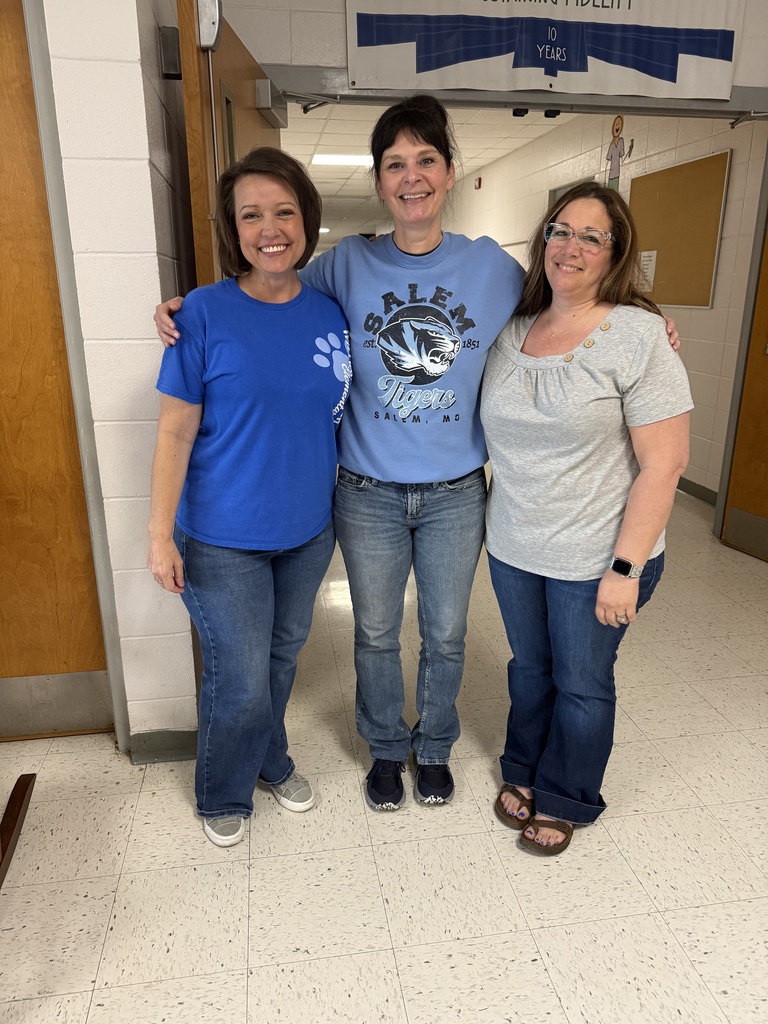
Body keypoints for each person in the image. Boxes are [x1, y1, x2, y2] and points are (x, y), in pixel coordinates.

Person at [154, 96, 679, 815]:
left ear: (450, 172)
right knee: (373, 633)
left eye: (426, 160)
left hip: (457, 493)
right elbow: (264, 292)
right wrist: (184, 307)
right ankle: (384, 749)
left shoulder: (492, 269)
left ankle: (432, 747)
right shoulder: (344, 266)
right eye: (395, 164)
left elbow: (566, 304)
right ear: (379, 182)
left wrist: (647, 320)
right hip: (364, 492)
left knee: (445, 632)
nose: (412, 177)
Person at [481, 182, 692, 855]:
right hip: (515, 546)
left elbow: (664, 465)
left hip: (599, 557)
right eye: (560, 230)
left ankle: (567, 794)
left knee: (581, 682)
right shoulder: (511, 330)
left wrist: (625, 570)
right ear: (542, 238)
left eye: (591, 236)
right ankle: (524, 769)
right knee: (529, 669)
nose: (571, 247)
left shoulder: (637, 337)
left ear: (615, 252)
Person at [148, 147, 350, 847]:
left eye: (284, 211)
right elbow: (174, 432)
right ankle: (223, 793)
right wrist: (157, 536)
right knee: (238, 679)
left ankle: (271, 759)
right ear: (233, 230)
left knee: (280, 661)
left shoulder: (330, 313)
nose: (270, 228)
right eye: (251, 215)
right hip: (223, 536)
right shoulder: (200, 314)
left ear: (307, 221)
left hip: (307, 530)